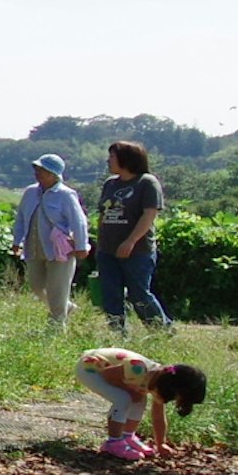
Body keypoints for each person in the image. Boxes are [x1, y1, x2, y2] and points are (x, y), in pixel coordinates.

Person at [93, 139, 174, 334]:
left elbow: (149, 214)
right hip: (107, 250)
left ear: (126, 159)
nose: (108, 161)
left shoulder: (146, 182)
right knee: (111, 294)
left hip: (137, 251)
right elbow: (103, 213)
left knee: (139, 294)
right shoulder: (110, 184)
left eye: (112, 156)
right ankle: (118, 334)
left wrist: (130, 241)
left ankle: (161, 331)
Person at [79, 344, 207, 460]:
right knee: (124, 398)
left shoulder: (156, 380)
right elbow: (108, 374)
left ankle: (127, 436)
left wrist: (160, 443)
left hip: (108, 372)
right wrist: (129, 390)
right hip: (90, 367)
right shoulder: (138, 369)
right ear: (166, 386)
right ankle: (113, 442)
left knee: (139, 398)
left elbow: (158, 417)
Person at [8, 153, 88, 331]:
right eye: (37, 169)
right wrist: (17, 241)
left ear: (54, 174)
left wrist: (82, 246)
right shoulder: (30, 192)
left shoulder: (66, 195)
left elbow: (78, 221)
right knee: (37, 286)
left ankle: (57, 327)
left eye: (42, 170)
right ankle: (66, 308)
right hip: (34, 247)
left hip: (60, 250)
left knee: (57, 290)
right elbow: (21, 218)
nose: (37, 173)